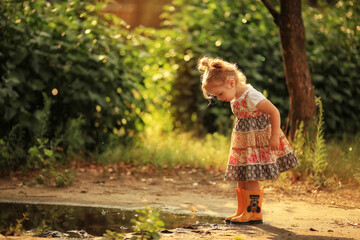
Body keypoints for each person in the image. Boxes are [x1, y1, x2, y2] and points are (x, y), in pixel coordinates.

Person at [197, 57, 299, 224]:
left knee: (251, 177)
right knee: (242, 175)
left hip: (256, 143)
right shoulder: (235, 96)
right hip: (243, 143)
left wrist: (274, 136)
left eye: (220, 94)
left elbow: (274, 111)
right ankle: (242, 210)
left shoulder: (251, 96)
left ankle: (253, 213)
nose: (220, 98)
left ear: (231, 83)